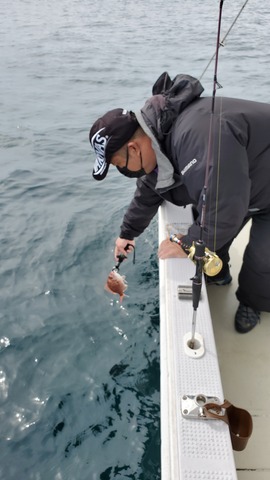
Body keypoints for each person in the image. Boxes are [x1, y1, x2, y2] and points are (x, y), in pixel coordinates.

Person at [89, 72, 270, 334]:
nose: (125, 172)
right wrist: (127, 233)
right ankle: (219, 273)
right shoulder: (161, 136)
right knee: (206, 222)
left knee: (263, 260)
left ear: (134, 148)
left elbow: (224, 211)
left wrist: (185, 245)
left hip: (261, 189)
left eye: (119, 166)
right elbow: (151, 188)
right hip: (243, 181)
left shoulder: (198, 137)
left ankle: (252, 303)